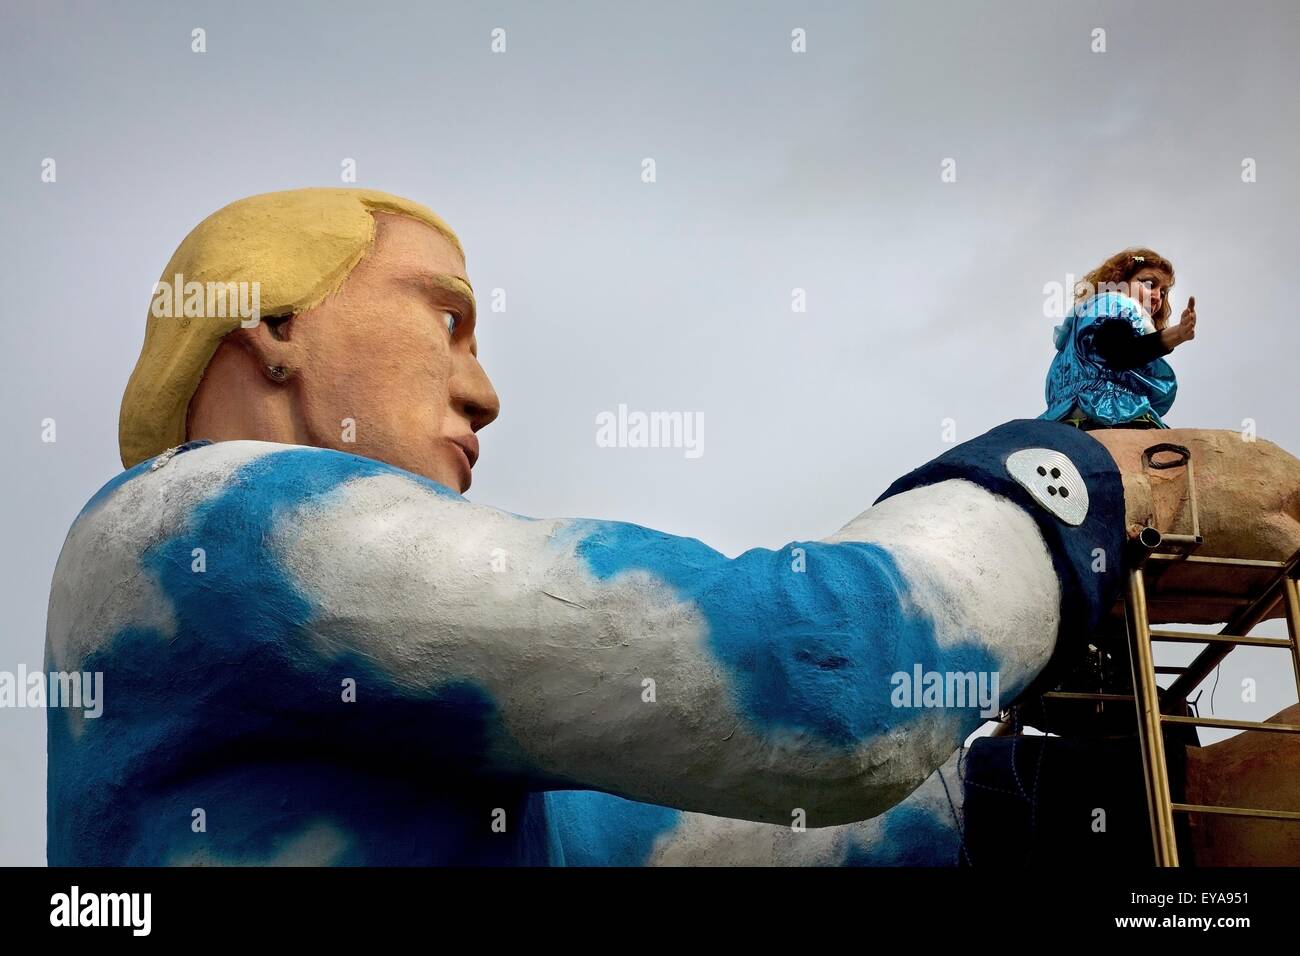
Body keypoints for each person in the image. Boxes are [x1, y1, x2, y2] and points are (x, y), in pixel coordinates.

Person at [44, 190, 1296, 866]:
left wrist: (1074, 800)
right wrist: (1076, 494)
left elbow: (694, 827)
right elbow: (816, 690)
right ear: (271, 325)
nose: (485, 390)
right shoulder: (193, 522)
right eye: (447, 320)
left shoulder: (413, 741)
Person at [1040, 248, 1197, 430]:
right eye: (1149, 284)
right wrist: (1177, 334)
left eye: (1163, 292)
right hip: (1106, 410)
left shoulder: (1087, 318)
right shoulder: (1114, 303)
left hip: (1066, 414)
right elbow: (1120, 352)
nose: (1157, 297)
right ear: (1119, 282)